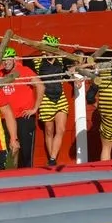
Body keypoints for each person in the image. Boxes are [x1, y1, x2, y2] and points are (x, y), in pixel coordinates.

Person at [0, 47, 42, 167]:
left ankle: (27, 176)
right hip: (6, 118)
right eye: (4, 60)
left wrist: (35, 108)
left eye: (8, 59)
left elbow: (41, 85)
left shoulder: (24, 70)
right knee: (9, 150)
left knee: (25, 152)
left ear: (14, 59)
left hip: (24, 117)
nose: (6, 62)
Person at [34, 34, 70, 166]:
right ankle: (52, 159)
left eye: (51, 48)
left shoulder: (61, 59)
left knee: (61, 129)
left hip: (60, 98)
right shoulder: (37, 61)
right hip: (46, 99)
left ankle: (52, 158)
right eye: (47, 48)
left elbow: (74, 63)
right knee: (49, 131)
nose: (49, 51)